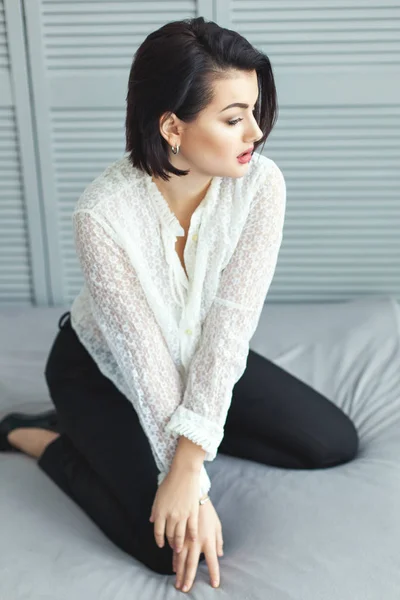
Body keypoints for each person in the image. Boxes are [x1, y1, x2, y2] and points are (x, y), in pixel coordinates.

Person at [0, 16, 359, 594]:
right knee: (167, 552)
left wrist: (193, 459)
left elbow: (229, 326)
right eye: (234, 118)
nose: (256, 133)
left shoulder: (262, 186)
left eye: (256, 112)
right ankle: (41, 438)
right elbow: (145, 365)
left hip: (198, 358)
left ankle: (188, 434)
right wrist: (188, 481)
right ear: (172, 125)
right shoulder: (103, 215)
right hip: (103, 371)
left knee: (330, 443)